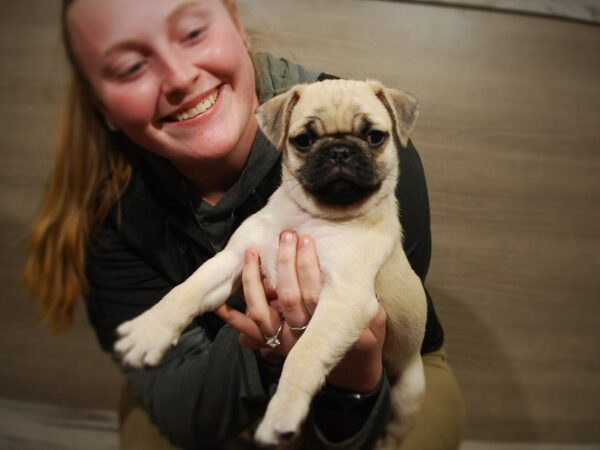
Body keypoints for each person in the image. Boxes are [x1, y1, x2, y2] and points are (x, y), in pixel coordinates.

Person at [24, 0, 465, 448]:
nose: (179, 76)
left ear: (237, 22)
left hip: (378, 370)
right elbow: (180, 391)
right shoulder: (109, 213)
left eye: (193, 32)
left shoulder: (381, 152)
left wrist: (350, 383)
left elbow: (357, 328)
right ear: (100, 105)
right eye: (131, 65)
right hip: (214, 366)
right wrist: (266, 352)